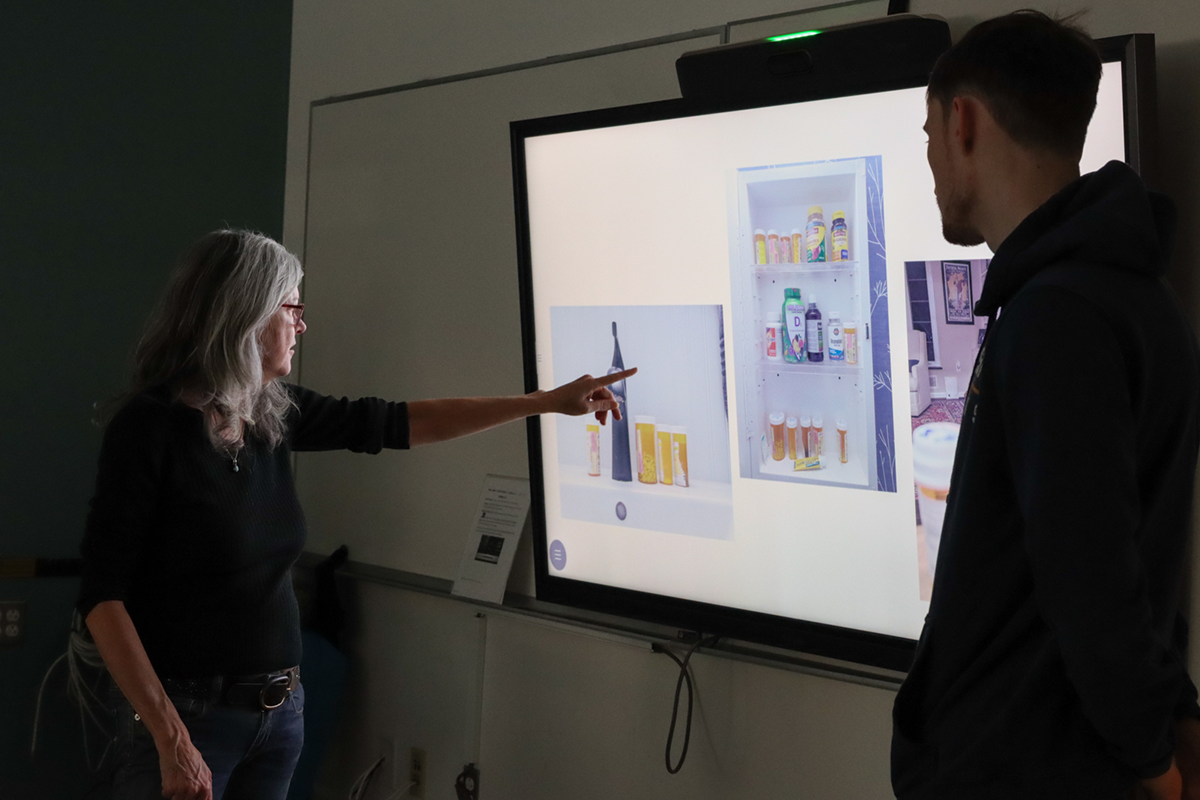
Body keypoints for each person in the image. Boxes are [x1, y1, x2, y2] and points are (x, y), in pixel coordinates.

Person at [78, 229, 634, 800]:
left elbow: (400, 423)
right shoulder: (149, 428)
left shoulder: (270, 413)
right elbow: (102, 595)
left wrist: (544, 403)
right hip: (188, 721)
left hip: (278, 717)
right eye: (291, 307)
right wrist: (172, 739)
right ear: (245, 314)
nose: (301, 325)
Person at [891, 11, 1200, 800]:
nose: (930, 167)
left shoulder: (1057, 316)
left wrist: (1153, 764)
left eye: (927, 138)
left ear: (962, 121)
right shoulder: (1128, 294)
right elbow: (1139, 544)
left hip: (1033, 767)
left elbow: (1090, 577)